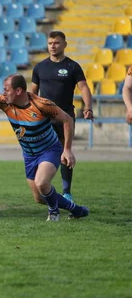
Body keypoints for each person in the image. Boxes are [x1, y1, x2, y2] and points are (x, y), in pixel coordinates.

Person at [0, 67, 89, 221]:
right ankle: (76, 210)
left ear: (18, 91)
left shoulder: (42, 104)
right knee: (39, 197)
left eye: (6, 90)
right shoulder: (5, 102)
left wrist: (67, 150)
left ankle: (53, 212)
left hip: (49, 150)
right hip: (29, 155)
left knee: (42, 183)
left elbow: (67, 119)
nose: (3, 93)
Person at [30, 31, 94, 203]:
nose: (53, 46)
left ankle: (67, 192)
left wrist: (88, 107)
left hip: (66, 118)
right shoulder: (40, 67)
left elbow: (84, 88)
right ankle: (44, 187)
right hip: (44, 119)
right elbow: (32, 94)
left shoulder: (73, 66)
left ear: (64, 45)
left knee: (66, 152)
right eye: (50, 43)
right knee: (41, 153)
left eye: (56, 43)